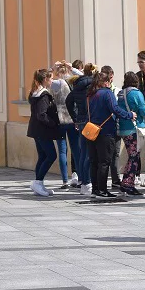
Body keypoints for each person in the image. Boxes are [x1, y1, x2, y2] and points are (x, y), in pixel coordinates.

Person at [85, 69, 133, 201]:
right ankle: (102, 190)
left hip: (92, 131)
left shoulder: (90, 94)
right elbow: (115, 109)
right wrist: (129, 115)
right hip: (105, 131)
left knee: (94, 162)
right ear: (106, 82)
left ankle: (95, 189)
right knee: (104, 162)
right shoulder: (107, 93)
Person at [27, 69, 61, 197]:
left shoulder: (35, 92)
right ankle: (38, 182)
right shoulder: (44, 95)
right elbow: (42, 114)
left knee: (42, 156)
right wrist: (53, 123)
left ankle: (38, 184)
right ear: (45, 79)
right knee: (51, 156)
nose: (52, 80)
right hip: (42, 130)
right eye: (51, 78)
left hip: (36, 129)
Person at [66, 63, 95, 194]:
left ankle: (83, 182)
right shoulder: (92, 85)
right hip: (91, 120)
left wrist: (75, 117)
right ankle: (88, 182)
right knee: (90, 152)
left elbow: (68, 101)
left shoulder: (77, 86)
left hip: (81, 120)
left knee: (83, 152)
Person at [117, 72, 145, 196]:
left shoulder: (120, 94)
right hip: (134, 128)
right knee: (134, 157)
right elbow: (144, 111)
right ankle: (128, 184)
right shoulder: (136, 93)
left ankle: (126, 182)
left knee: (131, 155)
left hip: (123, 128)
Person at [48, 63, 74, 188]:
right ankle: (80, 177)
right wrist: (71, 68)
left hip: (59, 119)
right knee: (76, 150)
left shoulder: (55, 84)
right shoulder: (70, 82)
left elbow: (45, 78)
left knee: (62, 151)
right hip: (71, 118)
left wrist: (52, 67)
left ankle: (65, 180)